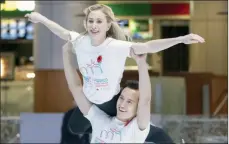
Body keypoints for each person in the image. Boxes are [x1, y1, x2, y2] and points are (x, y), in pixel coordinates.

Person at [25, 3, 204, 142]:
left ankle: (159, 136)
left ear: (108, 24)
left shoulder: (116, 46)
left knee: (141, 130)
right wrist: (40, 18)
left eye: (99, 21)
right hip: (90, 100)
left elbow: (149, 46)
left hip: (110, 101)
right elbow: (62, 32)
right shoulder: (80, 42)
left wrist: (181, 39)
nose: (94, 25)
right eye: (90, 21)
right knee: (74, 127)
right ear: (85, 23)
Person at [63, 41, 152, 142]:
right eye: (122, 98)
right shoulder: (100, 119)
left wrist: (141, 62)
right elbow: (76, 88)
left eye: (129, 102)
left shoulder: (136, 130)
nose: (122, 104)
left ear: (138, 108)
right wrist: (66, 54)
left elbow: (145, 100)